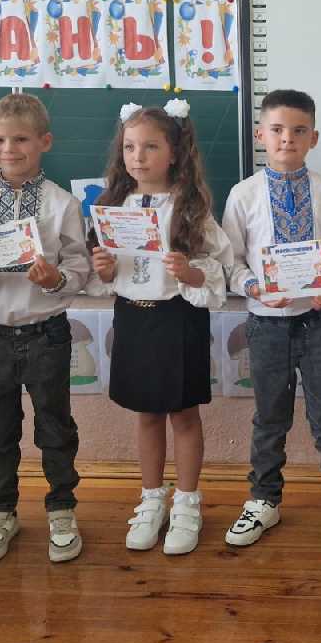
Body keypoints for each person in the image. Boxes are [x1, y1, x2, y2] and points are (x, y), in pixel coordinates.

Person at [0, 93, 91, 565]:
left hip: (45, 331)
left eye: (21, 140)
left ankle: (62, 507)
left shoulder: (62, 204)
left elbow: (79, 266)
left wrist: (56, 279)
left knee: (55, 426)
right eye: (0, 140)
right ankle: (0, 509)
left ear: (44, 142)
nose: (9, 149)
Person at [220, 89, 321, 556]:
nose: (287, 139)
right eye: (277, 129)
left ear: (313, 138)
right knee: (269, 419)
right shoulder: (243, 195)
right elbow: (231, 262)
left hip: (320, 321)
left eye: (299, 130)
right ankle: (264, 500)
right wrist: (254, 287)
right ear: (260, 134)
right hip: (266, 324)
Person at [90, 100, 231, 557]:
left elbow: (217, 271)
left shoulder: (190, 209)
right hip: (133, 318)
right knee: (146, 413)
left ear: (174, 152)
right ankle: (152, 499)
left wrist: (190, 272)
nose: (138, 156)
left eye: (150, 146)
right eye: (130, 147)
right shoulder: (112, 205)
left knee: (183, 415)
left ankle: (187, 503)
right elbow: (108, 274)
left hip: (178, 318)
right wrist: (104, 269)